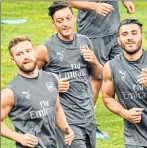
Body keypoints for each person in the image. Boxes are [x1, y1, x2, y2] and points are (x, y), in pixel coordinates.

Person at [35, 1, 103, 148]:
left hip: (88, 116)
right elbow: (26, 80)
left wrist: (94, 61)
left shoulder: (84, 41)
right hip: (66, 120)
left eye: (68, 18)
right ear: (53, 23)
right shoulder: (44, 50)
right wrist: (52, 85)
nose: (65, 24)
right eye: (59, 21)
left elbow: (98, 76)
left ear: (74, 18)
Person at [102, 18, 147, 148]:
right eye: (125, 34)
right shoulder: (110, 67)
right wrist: (124, 113)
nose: (129, 38)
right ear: (119, 40)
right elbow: (107, 98)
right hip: (134, 141)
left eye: (134, 33)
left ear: (142, 37)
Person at [69, 1, 135, 138]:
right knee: (96, 77)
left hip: (114, 30)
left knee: (123, 70)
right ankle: (87, 124)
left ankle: (134, 117)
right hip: (93, 33)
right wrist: (94, 6)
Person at [1, 36, 75, 148]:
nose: (25, 56)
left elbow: (56, 108)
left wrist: (66, 128)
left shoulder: (52, 79)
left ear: (35, 52)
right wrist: (19, 137)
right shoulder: (10, 92)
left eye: (28, 51)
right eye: (19, 54)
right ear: (13, 60)